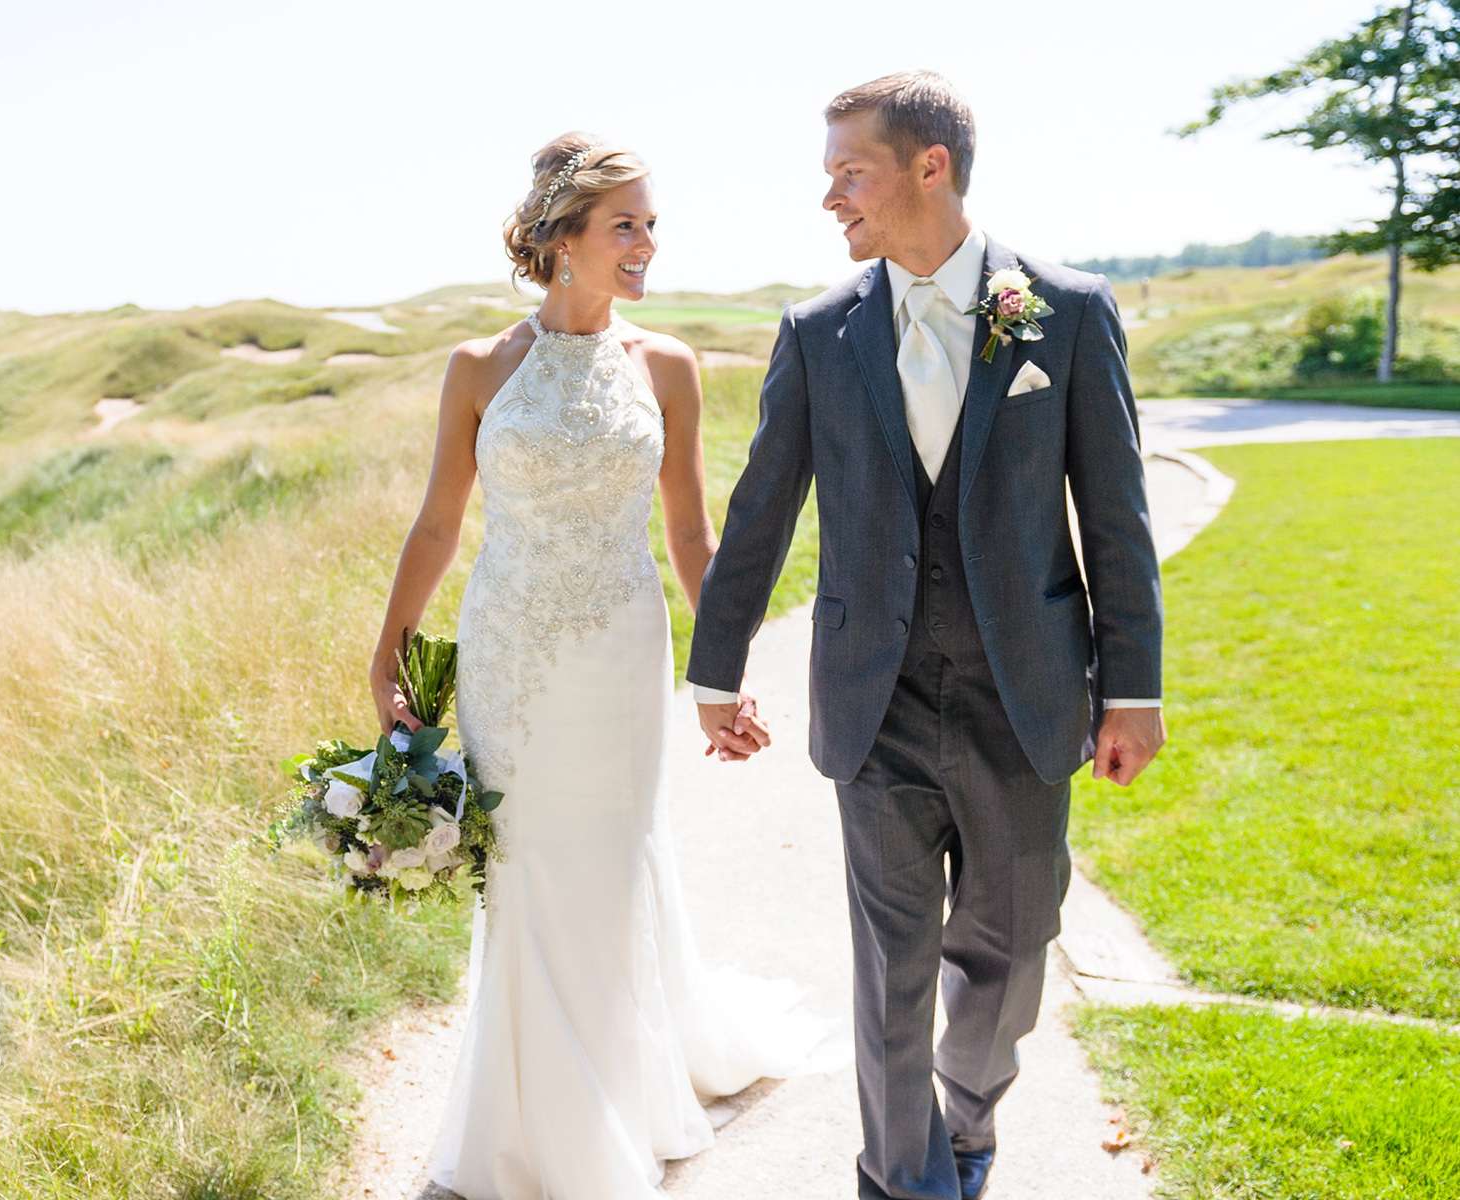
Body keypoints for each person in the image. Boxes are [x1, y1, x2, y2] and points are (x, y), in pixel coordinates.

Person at [686, 71, 1167, 1200]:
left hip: (1027, 696)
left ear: (928, 166)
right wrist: (716, 668)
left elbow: (1117, 516)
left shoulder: (1069, 310)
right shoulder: (816, 333)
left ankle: (968, 1113)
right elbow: (761, 511)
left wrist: (1131, 689)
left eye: (848, 172)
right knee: (890, 969)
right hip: (876, 700)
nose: (831, 200)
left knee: (1006, 962)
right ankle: (902, 1178)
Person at [367, 132, 847, 1200]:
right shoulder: (478, 368)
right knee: (530, 870)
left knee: (613, 858)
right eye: (626, 223)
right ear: (561, 240)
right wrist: (389, 650)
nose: (646, 243)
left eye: (650, 224)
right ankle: (533, 1122)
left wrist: (720, 674)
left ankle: (618, 1100)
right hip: (511, 654)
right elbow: (440, 522)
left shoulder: (667, 366)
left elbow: (690, 537)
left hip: (620, 648)